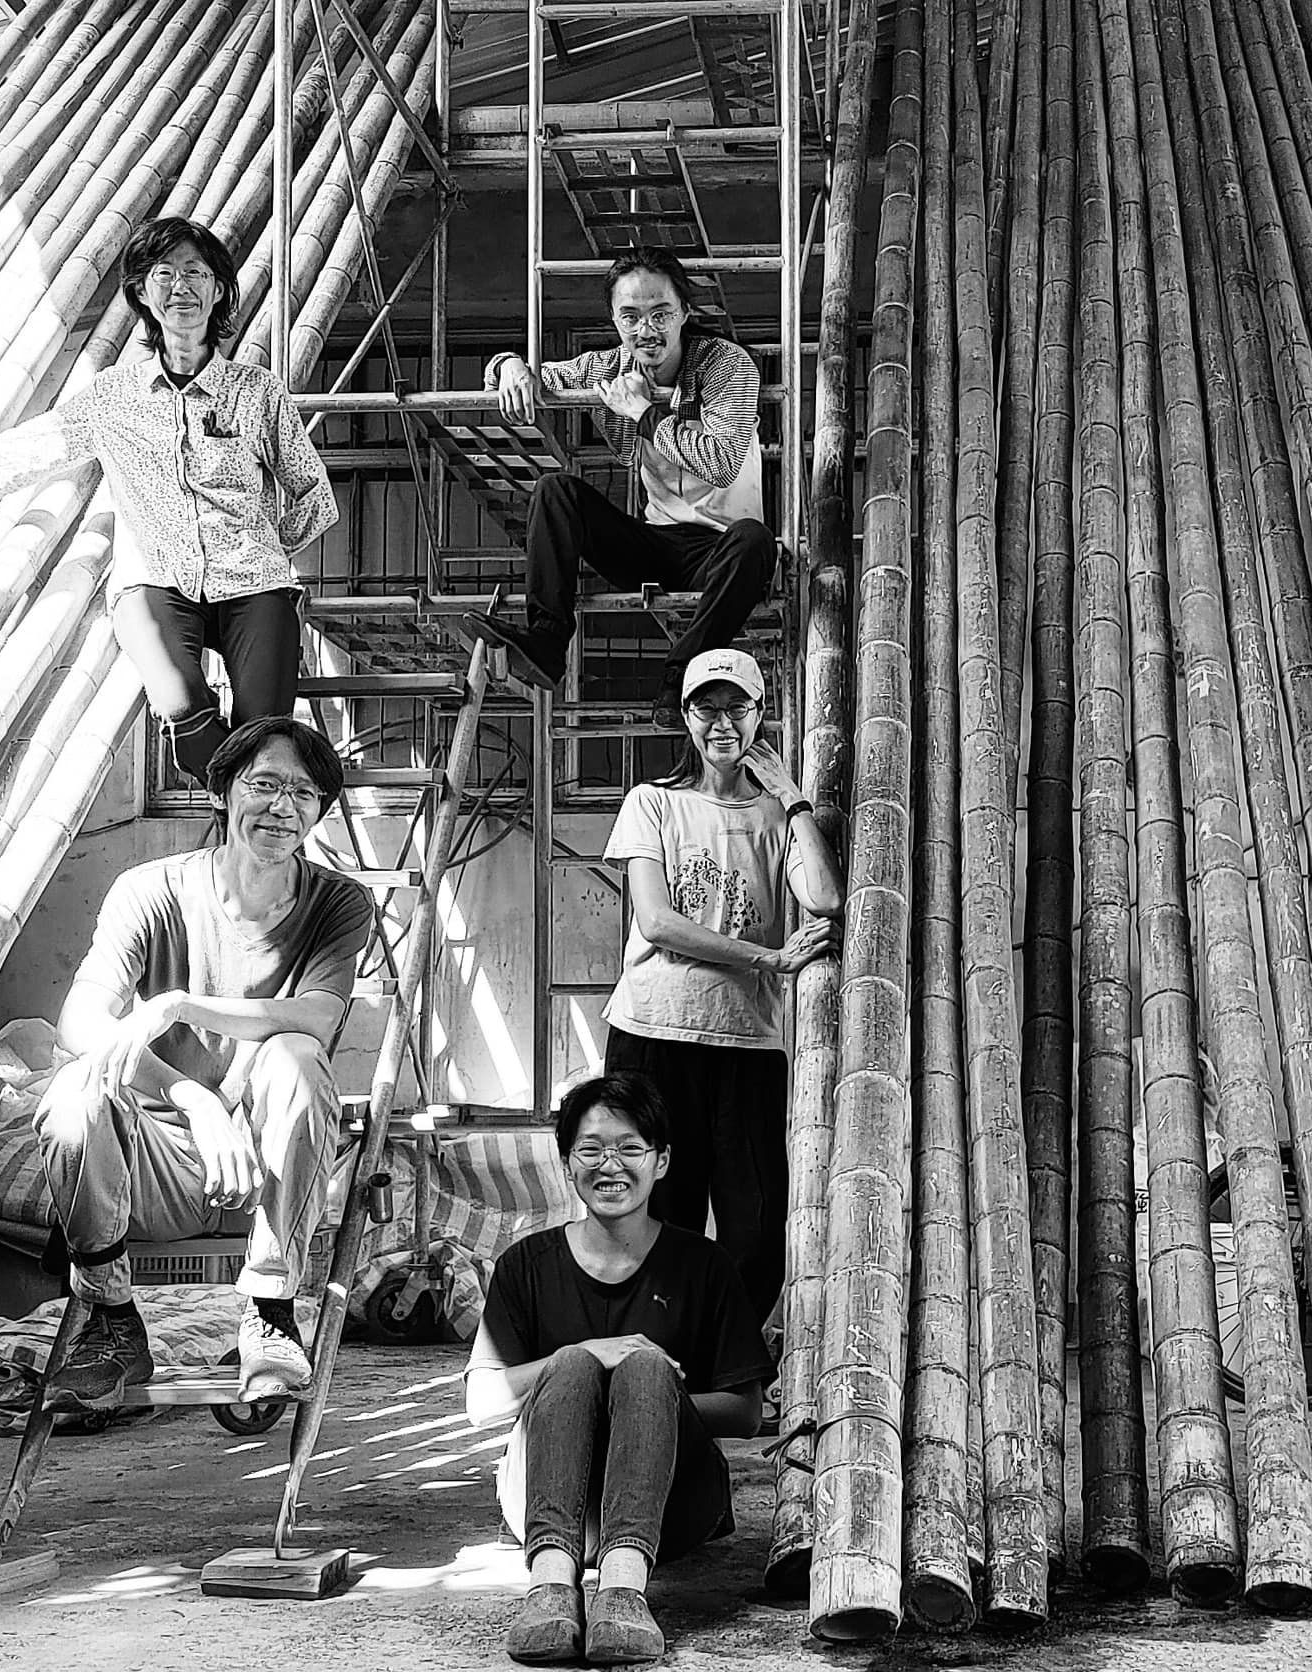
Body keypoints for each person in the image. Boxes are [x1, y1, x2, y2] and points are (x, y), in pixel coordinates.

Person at [0, 216, 337, 781]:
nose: (182, 287)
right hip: (154, 582)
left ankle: (244, 852)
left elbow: (314, 496)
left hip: (254, 583)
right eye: (166, 273)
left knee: (266, 736)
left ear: (220, 289)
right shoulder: (112, 396)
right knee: (187, 714)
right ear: (142, 293)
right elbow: (33, 449)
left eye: (197, 273)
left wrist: (264, 546)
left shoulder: (255, 391)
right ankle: (231, 824)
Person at [32, 715, 371, 1410]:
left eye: (303, 795)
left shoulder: (339, 902)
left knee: (297, 1060)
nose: (281, 807)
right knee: (72, 1093)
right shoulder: (149, 890)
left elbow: (319, 1015)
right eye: (264, 784)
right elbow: (79, 1021)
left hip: (270, 1161)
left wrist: (180, 1004)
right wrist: (194, 1097)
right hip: (151, 1158)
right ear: (224, 792)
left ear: (319, 813)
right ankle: (110, 1319)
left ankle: (270, 1311)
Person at [466, 1072, 772, 1667]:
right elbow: (481, 1402)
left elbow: (746, 1409)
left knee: (645, 1371)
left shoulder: (702, 1265)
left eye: (630, 1148)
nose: (611, 1165)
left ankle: (624, 1590)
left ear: (661, 1163)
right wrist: (578, 1361)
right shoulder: (526, 1263)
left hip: (672, 1511)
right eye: (591, 1149)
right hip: (553, 1511)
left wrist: (649, 1395)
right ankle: (550, 1588)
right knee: (580, 1362)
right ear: (566, 1162)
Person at [602, 647, 842, 1325]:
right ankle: (661, 1364)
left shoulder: (776, 817)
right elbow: (657, 922)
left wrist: (794, 800)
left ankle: (720, 1362)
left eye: (738, 705)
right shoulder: (653, 804)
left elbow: (823, 898)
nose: (721, 721)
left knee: (759, 1230)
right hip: (651, 1036)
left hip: (747, 1044)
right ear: (686, 718)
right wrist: (765, 960)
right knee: (660, 1218)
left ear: (759, 715)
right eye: (706, 706)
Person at [459, 249, 775, 731]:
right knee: (555, 490)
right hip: (656, 544)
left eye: (660, 313)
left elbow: (722, 463)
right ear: (614, 319)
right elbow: (537, 375)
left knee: (756, 541)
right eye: (631, 316)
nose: (646, 330)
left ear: (685, 312)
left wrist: (644, 414)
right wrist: (508, 366)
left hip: (723, 549)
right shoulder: (607, 368)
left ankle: (681, 677)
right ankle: (546, 642)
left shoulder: (725, 366)